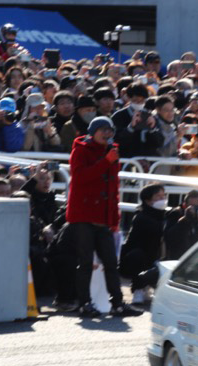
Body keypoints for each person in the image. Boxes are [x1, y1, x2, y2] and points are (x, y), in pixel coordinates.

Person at [66, 116, 143, 317]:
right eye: (103, 130)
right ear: (93, 131)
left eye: (110, 130)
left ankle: (117, 303)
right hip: (83, 216)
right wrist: (105, 162)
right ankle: (84, 303)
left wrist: (114, 219)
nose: (107, 134)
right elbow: (81, 177)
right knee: (85, 263)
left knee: (110, 262)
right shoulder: (81, 150)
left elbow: (112, 188)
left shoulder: (111, 151)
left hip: (102, 219)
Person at [119, 184, 168, 304]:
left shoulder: (164, 215)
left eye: (163, 196)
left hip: (155, 256)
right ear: (148, 200)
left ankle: (149, 288)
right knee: (138, 255)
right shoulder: (141, 217)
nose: (162, 199)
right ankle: (138, 289)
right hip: (138, 258)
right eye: (158, 196)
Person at [163, 190, 198, 260]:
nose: (196, 208)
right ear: (185, 205)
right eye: (193, 206)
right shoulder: (175, 214)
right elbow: (169, 237)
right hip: (179, 259)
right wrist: (185, 219)